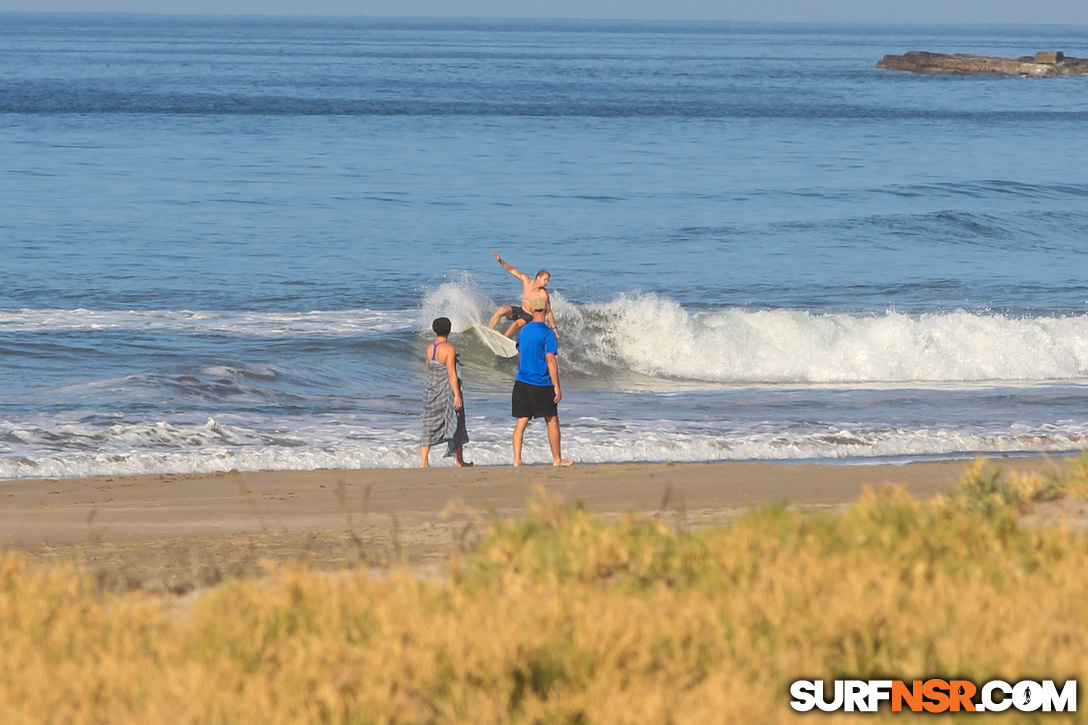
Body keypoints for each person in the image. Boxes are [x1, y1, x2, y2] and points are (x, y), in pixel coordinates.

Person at [510, 299, 573, 467]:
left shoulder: (523, 331)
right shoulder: (548, 333)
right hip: (542, 383)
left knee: (521, 421)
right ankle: (557, 459)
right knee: (552, 420)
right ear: (546, 310)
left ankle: (517, 460)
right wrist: (557, 386)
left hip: (522, 381)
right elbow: (551, 361)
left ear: (531, 310)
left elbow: (520, 349)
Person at [420, 317, 471, 467]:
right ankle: (459, 461)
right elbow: (451, 374)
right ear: (449, 330)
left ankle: (424, 461)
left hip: (431, 390)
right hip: (446, 392)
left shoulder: (430, 347)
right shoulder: (449, 349)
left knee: (429, 425)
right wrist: (456, 395)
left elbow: (429, 368)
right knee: (456, 421)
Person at [488, 251, 559, 340]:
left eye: (548, 280)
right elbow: (511, 270)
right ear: (538, 277)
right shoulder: (527, 281)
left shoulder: (543, 294)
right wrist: (500, 261)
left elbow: (548, 312)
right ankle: (488, 329)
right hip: (521, 309)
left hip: (529, 316)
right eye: (545, 280)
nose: (546, 282)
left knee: (515, 324)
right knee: (502, 309)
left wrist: (554, 329)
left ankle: (503, 339)